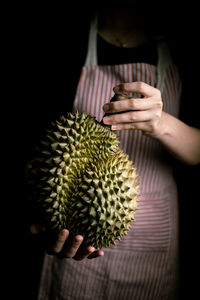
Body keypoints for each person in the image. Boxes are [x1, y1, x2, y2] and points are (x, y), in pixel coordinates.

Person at [26, 3, 200, 300]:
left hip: (153, 237)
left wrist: (161, 123)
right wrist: (36, 218)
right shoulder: (64, 37)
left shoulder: (182, 42)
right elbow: (37, 155)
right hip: (73, 242)